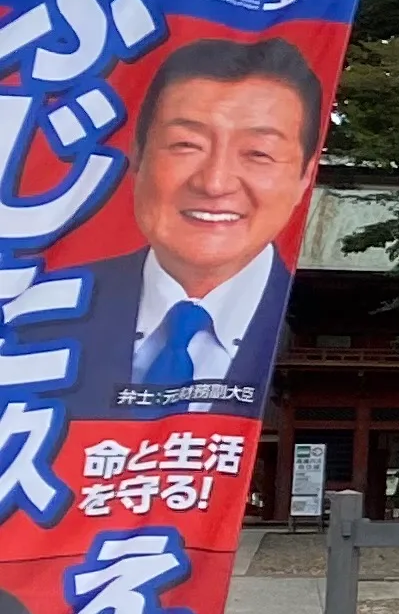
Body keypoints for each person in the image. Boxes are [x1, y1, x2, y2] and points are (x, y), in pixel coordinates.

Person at [58, 35, 324, 417]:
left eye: (258, 154)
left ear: (305, 176)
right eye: (185, 145)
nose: (214, 183)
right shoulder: (51, 307)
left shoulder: (302, 311)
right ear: (138, 153)